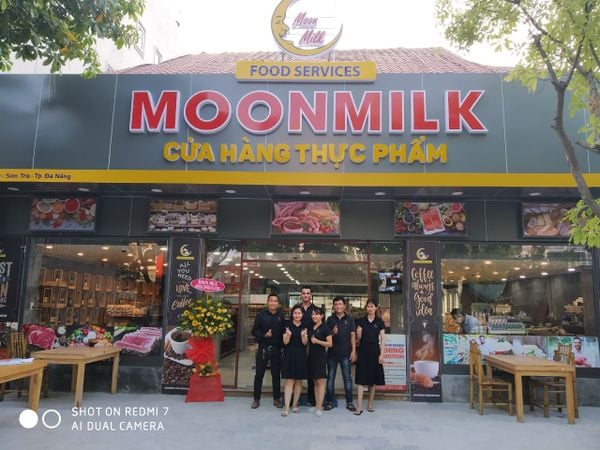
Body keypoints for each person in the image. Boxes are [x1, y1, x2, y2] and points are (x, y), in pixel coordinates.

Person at [251, 293, 285, 409]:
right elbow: (254, 331)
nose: (273, 303)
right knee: (259, 374)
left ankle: (276, 399)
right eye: (271, 301)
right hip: (263, 349)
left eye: (275, 301)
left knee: (276, 375)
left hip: (276, 350)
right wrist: (264, 335)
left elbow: (283, 333)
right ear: (267, 302)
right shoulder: (261, 315)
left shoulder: (281, 316)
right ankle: (256, 399)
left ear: (278, 303)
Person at [324, 296, 357, 412]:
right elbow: (326, 336)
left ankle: (349, 402)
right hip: (332, 354)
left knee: (347, 378)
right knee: (330, 378)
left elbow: (353, 336)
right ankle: (329, 402)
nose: (338, 306)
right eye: (336, 304)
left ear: (344, 306)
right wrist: (333, 333)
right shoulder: (330, 319)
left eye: (340, 304)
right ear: (333, 306)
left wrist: (353, 351)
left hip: (345, 354)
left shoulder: (350, 319)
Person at [354, 299, 385, 415]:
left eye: (372, 306)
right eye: (368, 306)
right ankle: (359, 407)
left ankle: (370, 404)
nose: (370, 308)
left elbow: (383, 339)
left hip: (374, 351)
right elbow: (358, 339)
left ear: (376, 308)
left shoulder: (379, 322)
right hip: (363, 350)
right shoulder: (361, 321)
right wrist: (358, 335)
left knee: (373, 380)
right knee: (361, 379)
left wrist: (382, 354)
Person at [280, 304, 309, 416]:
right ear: (292, 314)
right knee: (289, 381)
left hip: (301, 355)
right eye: (295, 313)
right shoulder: (287, 325)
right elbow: (285, 342)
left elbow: (305, 343)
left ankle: (295, 404)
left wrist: (303, 336)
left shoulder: (305, 326)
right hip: (289, 355)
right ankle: (287, 407)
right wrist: (287, 335)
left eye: (299, 313)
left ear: (302, 314)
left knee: (298, 381)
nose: (297, 315)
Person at [307, 306, 332, 417]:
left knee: (320, 382)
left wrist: (317, 341)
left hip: (320, 357)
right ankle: (317, 405)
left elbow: (330, 343)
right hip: (311, 356)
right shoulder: (311, 327)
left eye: (316, 314)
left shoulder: (325, 327)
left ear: (322, 316)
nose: (314, 316)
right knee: (315, 382)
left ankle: (319, 406)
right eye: (313, 314)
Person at [298, 285, 317, 406]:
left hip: (312, 343)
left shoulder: (315, 309)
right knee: (297, 370)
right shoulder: (297, 308)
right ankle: (296, 398)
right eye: (304, 293)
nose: (305, 295)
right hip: (297, 343)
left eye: (308, 293)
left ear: (311, 295)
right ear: (301, 295)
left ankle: (312, 398)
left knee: (311, 371)